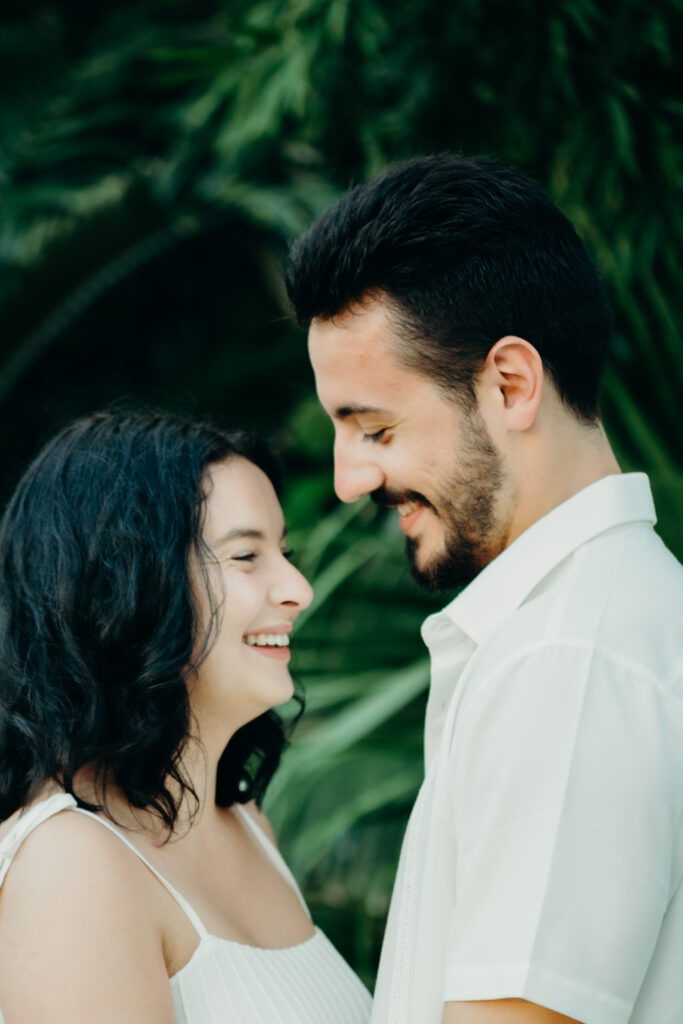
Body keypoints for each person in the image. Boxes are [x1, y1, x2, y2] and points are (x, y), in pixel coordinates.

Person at [285, 154, 683, 1024]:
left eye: (376, 427)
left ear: (510, 384)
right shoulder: (617, 621)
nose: (350, 478)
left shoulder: (568, 662)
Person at [0, 410, 372, 1024]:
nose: (299, 588)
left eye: (285, 550)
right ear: (129, 585)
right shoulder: (69, 867)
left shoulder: (246, 824)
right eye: (247, 555)